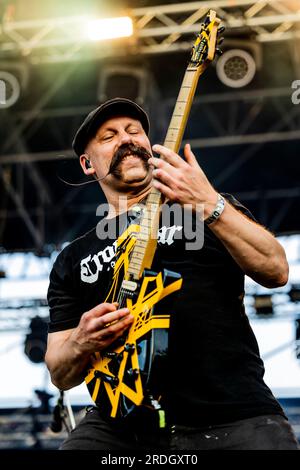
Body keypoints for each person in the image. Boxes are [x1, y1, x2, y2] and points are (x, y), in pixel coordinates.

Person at [46, 97, 299, 450]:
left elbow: (276, 269)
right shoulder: (72, 260)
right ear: (88, 164)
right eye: (109, 136)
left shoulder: (205, 206)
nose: (126, 139)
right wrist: (81, 341)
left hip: (234, 417)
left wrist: (209, 202)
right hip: (121, 429)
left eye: (134, 131)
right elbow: (60, 372)